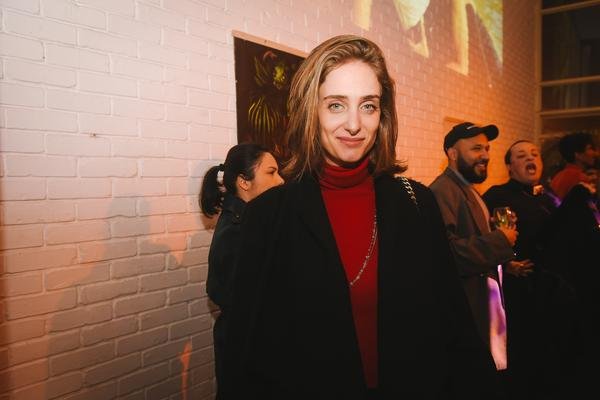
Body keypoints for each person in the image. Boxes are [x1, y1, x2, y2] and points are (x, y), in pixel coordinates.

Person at [223, 35, 496, 399]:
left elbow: (453, 321)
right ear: (311, 111)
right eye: (336, 105)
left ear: (382, 115)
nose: (354, 124)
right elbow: (245, 344)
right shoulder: (268, 215)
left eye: (368, 106)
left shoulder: (417, 203)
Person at [483, 140, 580, 399]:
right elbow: (483, 239)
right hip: (518, 293)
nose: (530, 158)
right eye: (521, 155)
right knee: (523, 359)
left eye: (534, 154)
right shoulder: (496, 196)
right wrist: (505, 263)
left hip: (550, 291)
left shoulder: (547, 198)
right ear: (509, 166)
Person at [429, 122, 517, 396]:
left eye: (487, 149)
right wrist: (501, 240)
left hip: (482, 309)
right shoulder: (443, 191)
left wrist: (506, 261)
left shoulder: (468, 189)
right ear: (452, 153)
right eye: (476, 148)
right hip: (464, 314)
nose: (485, 155)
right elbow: (446, 253)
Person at [199, 143, 284, 399]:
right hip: (247, 354)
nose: (281, 181)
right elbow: (229, 295)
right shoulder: (237, 233)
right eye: (271, 172)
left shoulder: (251, 223)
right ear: (244, 182)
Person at [550, 131, 598, 201]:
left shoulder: (558, 176)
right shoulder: (579, 178)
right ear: (577, 155)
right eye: (590, 148)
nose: (594, 153)